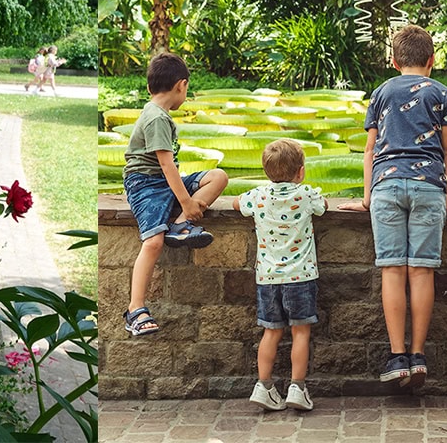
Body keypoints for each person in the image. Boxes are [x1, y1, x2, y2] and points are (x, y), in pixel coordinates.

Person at [339, 25, 447, 388]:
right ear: (432, 60)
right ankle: (418, 355)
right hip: (428, 187)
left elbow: (369, 150)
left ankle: (397, 356)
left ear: (395, 61)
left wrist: (368, 198)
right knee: (422, 272)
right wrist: (445, 201)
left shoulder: (381, 92)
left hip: (385, 187)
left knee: (393, 271)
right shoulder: (442, 93)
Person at [122, 52, 229, 336]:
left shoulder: (159, 114)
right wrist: (187, 201)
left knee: (218, 176)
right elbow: (166, 163)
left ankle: (181, 225)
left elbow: (170, 169)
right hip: (146, 183)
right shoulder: (156, 117)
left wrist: (186, 205)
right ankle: (135, 309)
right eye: (187, 89)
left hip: (164, 180)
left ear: (150, 86)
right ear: (181, 85)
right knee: (154, 242)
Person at [233, 139, 326, 411]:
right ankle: (297, 387)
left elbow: (238, 203)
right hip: (301, 277)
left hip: (268, 278)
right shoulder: (306, 194)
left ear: (265, 171)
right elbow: (323, 206)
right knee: (300, 333)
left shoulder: (257, 195)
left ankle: (264, 386)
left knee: (271, 333)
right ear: (301, 171)